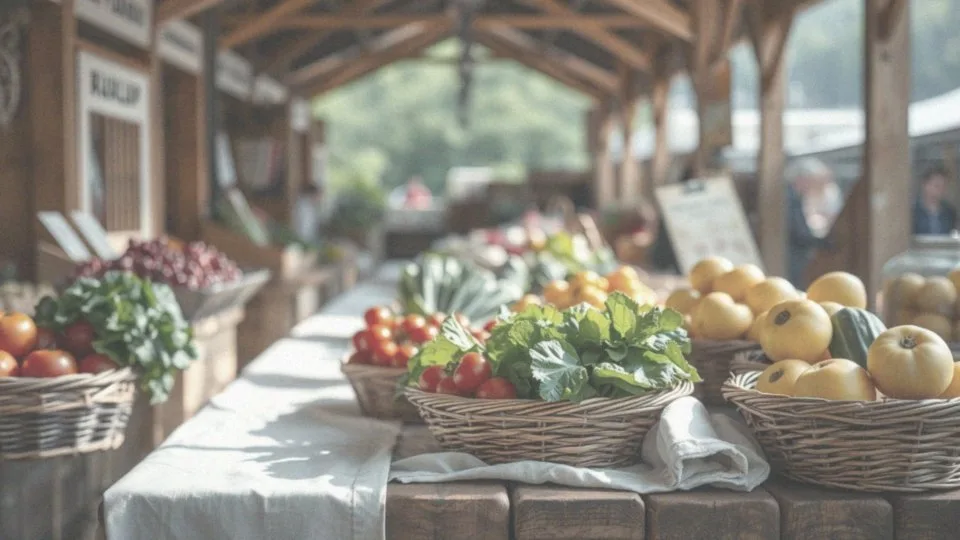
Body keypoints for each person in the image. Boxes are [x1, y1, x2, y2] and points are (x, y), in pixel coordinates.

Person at [785, 158, 834, 288]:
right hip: (791, 259)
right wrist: (824, 242)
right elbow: (799, 233)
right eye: (812, 181)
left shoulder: (793, 196)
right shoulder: (790, 197)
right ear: (802, 179)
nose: (813, 187)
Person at [913, 167, 956, 235]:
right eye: (937, 186)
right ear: (925, 185)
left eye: (944, 186)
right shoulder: (913, 212)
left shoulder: (950, 212)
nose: (941, 190)